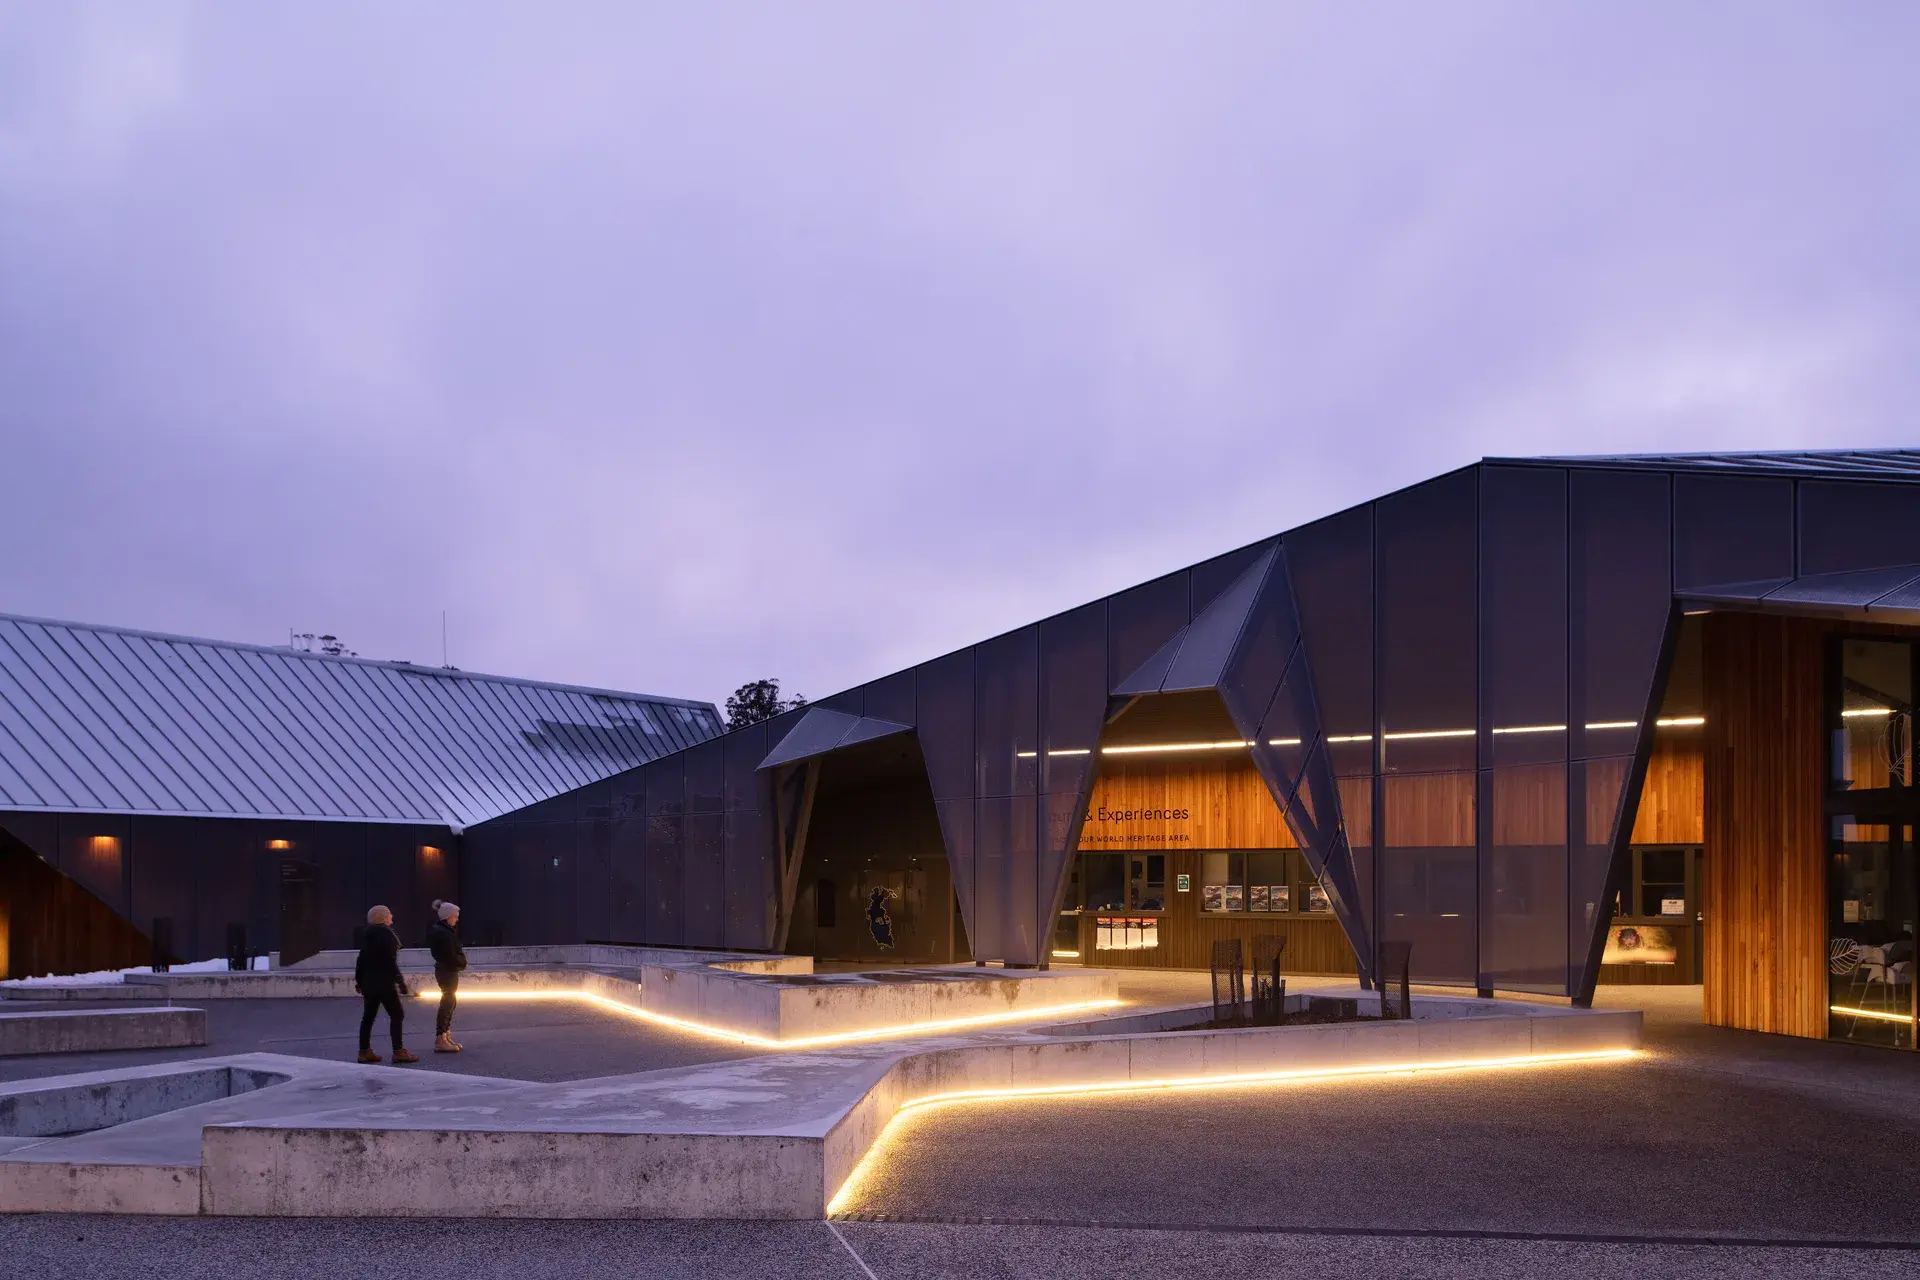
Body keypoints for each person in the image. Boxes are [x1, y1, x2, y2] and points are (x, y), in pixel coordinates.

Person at [354, 905, 417, 1064]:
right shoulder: (387, 935)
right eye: (389, 914)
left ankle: (364, 1051)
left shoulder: (366, 934)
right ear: (382, 917)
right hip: (384, 983)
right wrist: (400, 982)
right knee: (397, 1015)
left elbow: (361, 960)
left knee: (368, 1017)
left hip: (369, 983)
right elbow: (390, 961)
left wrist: (359, 981)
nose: (392, 916)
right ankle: (398, 1051)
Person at [426, 898, 468, 1053]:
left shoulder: (443, 931)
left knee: (450, 1001)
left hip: (447, 969)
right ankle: (441, 1037)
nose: (456, 919)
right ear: (448, 916)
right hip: (447, 970)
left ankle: (444, 1035)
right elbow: (450, 954)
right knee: (448, 1001)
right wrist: (461, 962)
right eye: (455, 916)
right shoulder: (444, 933)